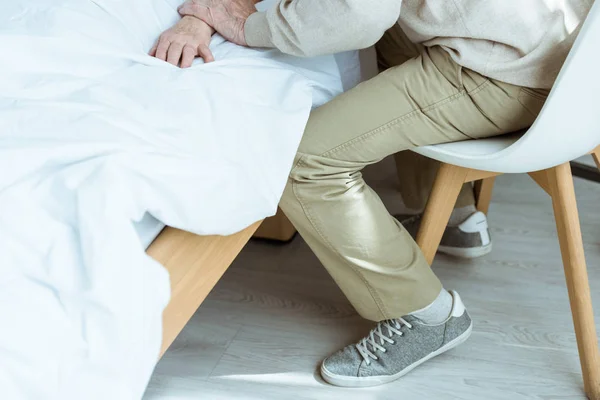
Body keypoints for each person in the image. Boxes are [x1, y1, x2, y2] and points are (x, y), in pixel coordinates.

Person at [152, 0, 592, 388]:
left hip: (510, 72)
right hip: (574, 56)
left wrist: (250, 26)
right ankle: (456, 220)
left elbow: (360, 13)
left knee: (303, 162)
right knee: (394, 40)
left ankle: (423, 316)